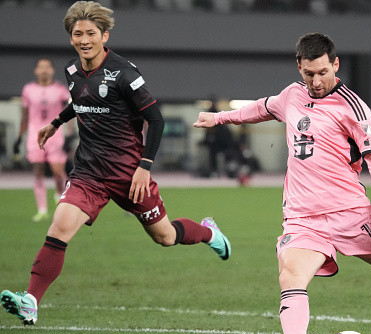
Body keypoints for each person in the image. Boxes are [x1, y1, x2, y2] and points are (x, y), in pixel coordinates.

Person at [193, 32, 371, 334]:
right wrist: (219, 119)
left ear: (336, 65)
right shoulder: (292, 95)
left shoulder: (354, 109)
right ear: (299, 67)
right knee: (290, 277)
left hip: (351, 214)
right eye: (309, 74)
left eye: (322, 72)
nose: (316, 81)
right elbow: (261, 108)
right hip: (303, 218)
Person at [0, 1, 230, 326]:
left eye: (90, 33)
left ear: (104, 35)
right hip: (89, 174)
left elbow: (156, 120)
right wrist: (54, 123)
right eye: (77, 34)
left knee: (164, 237)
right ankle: (31, 302)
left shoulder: (124, 73)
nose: (84, 39)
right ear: (71, 38)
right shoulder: (70, 70)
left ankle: (209, 234)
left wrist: (144, 166)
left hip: (130, 174)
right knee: (59, 227)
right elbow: (81, 100)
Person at [14, 57, 71, 222]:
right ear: (36, 70)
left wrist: (69, 134)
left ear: (53, 70)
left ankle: (59, 195)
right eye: (41, 67)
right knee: (38, 171)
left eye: (47, 67)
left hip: (55, 135)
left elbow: (70, 113)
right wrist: (18, 138)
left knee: (58, 172)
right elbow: (25, 115)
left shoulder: (61, 90)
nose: (44, 70)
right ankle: (42, 209)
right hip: (34, 135)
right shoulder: (28, 90)